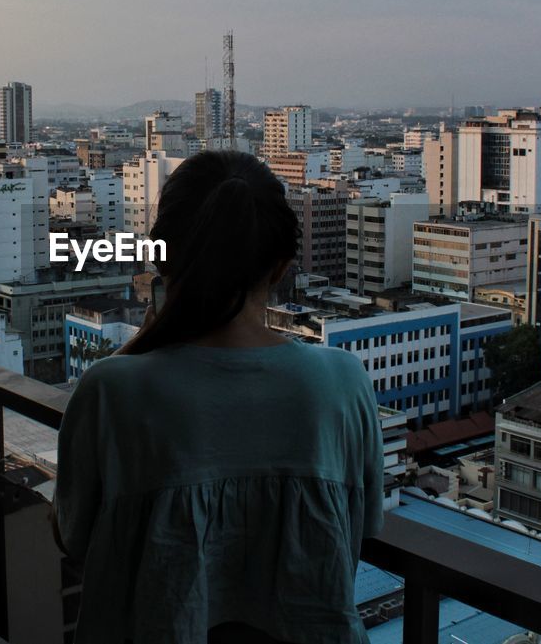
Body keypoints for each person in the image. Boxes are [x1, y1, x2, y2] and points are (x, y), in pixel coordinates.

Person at [55, 150, 384, 644]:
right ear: (281, 267)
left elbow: (73, 535)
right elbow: (362, 529)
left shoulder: (112, 390)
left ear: (160, 257)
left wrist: (139, 344)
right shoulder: (342, 383)